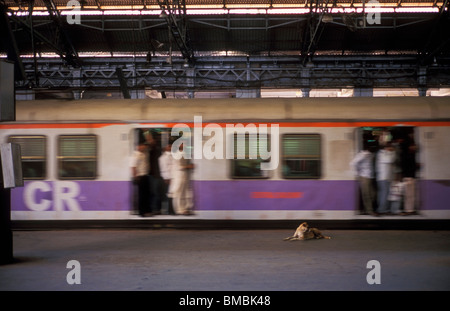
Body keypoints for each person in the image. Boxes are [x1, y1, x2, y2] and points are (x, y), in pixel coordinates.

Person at [169, 143, 194, 215]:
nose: (185, 145)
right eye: (183, 144)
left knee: (183, 192)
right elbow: (179, 166)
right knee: (179, 193)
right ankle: (179, 210)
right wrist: (189, 166)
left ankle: (184, 208)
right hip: (179, 175)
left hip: (183, 175)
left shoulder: (184, 154)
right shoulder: (177, 154)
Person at [350, 146, 375, 215]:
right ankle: (369, 210)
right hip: (364, 176)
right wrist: (358, 174)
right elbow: (353, 163)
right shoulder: (362, 155)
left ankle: (368, 209)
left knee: (372, 194)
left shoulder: (370, 154)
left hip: (370, 176)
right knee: (366, 194)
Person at [130, 142, 151, 217]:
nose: (144, 147)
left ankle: (147, 211)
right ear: (138, 146)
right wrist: (135, 177)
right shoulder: (135, 155)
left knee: (146, 194)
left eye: (144, 146)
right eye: (142, 146)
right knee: (141, 195)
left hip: (145, 176)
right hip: (140, 177)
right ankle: (142, 212)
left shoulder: (143, 154)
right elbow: (133, 167)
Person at [375, 142, 395, 214]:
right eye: (390, 147)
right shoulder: (381, 154)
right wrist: (391, 152)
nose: (391, 149)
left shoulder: (385, 153)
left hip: (386, 177)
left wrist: (391, 152)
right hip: (383, 177)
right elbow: (389, 160)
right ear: (386, 148)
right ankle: (381, 209)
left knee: (383, 193)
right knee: (384, 193)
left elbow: (392, 159)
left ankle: (383, 208)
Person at [159, 143, 176, 215]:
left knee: (172, 194)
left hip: (174, 177)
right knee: (169, 194)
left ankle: (172, 209)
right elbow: (163, 168)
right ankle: (169, 210)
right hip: (168, 177)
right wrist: (166, 178)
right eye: (169, 146)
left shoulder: (173, 155)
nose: (171, 147)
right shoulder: (162, 158)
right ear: (165, 148)